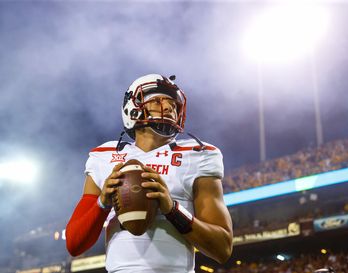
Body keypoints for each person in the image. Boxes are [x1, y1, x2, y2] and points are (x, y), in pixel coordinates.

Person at [66, 74, 233, 273]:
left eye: (173, 103)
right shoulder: (105, 157)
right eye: (157, 100)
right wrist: (102, 203)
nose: (170, 107)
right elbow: (74, 244)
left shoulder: (198, 154)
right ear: (133, 107)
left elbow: (222, 248)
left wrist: (172, 209)